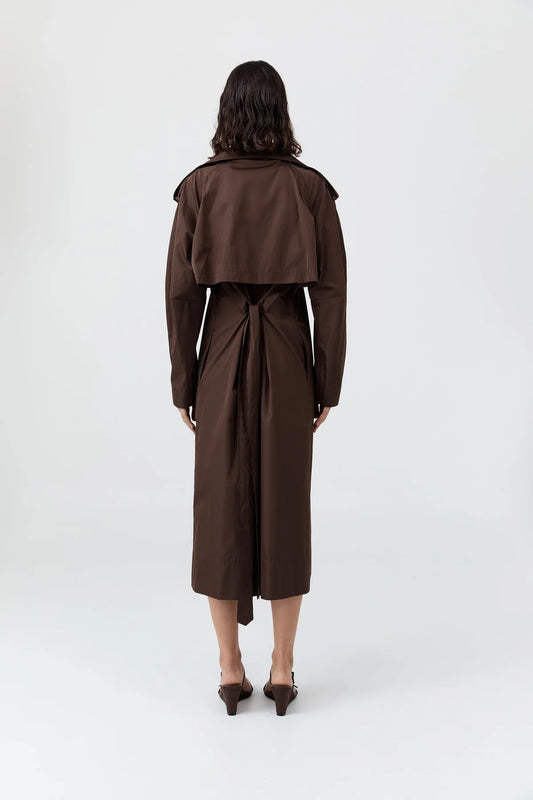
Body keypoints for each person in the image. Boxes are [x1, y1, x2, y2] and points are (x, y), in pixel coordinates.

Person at [165, 60, 347, 715]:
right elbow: (330, 295)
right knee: (286, 504)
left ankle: (228, 667)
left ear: (227, 111)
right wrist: (326, 382)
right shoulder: (310, 189)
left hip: (219, 353)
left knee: (218, 507)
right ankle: (283, 667)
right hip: (287, 353)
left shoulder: (199, 187)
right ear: (279, 111)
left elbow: (181, 295)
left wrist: (184, 382)